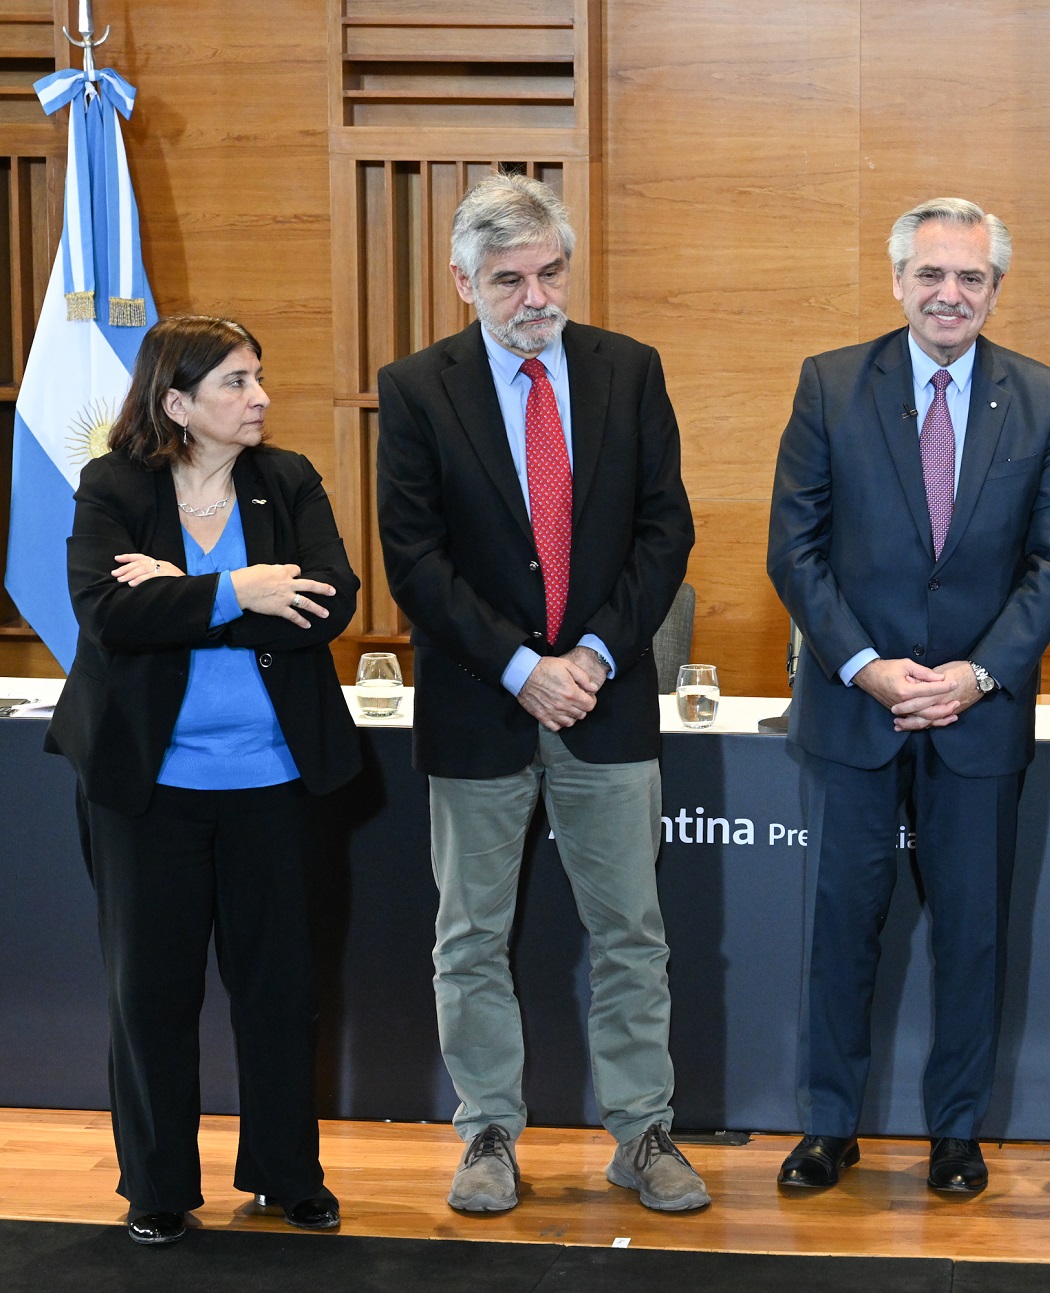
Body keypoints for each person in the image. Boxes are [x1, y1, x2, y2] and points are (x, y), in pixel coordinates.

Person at [375, 173, 703, 1215]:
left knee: (631, 932)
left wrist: (596, 654)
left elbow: (666, 531)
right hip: (480, 703)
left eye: (549, 272)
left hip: (606, 701)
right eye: (508, 279)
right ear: (463, 282)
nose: (534, 296)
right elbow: (414, 559)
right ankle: (486, 1136)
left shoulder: (628, 371)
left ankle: (642, 1133)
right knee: (469, 937)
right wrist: (522, 667)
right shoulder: (420, 387)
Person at [766, 197, 1050, 1196]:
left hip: (978, 715)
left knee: (972, 932)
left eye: (971, 278)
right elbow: (795, 547)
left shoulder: (1045, 397)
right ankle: (829, 1125)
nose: (950, 293)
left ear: (994, 289)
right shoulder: (829, 384)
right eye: (931, 274)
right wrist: (863, 663)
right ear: (898, 279)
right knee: (839, 928)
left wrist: (975, 673)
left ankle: (957, 1132)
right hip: (854, 708)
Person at [49, 315, 361, 1246]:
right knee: (150, 989)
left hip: (273, 779)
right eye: (235, 382)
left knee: (279, 986)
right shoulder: (114, 486)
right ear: (176, 403)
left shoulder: (287, 478)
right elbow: (108, 616)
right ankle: (155, 1185)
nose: (259, 396)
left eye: (258, 377)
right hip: (149, 785)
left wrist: (177, 593)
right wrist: (239, 591)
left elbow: (328, 604)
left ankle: (285, 1173)